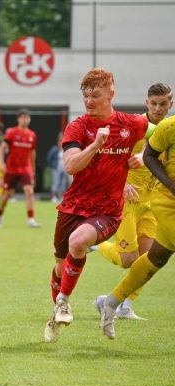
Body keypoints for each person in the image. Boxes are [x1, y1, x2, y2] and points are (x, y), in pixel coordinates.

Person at [43, 68, 153, 343]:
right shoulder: (78, 127)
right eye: (85, 95)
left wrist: (143, 154)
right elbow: (70, 165)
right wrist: (95, 145)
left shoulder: (132, 124)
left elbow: (162, 135)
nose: (89, 100)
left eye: (95, 94)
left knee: (79, 242)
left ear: (111, 92)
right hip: (72, 207)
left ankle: (64, 302)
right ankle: (57, 309)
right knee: (60, 267)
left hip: (108, 210)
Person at [94, 83, 173, 319]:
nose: (158, 108)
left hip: (153, 202)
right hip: (127, 200)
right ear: (146, 103)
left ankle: (124, 304)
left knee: (149, 260)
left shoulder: (170, 129)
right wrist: (123, 183)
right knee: (128, 260)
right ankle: (98, 245)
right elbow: (107, 159)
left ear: (171, 104)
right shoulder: (133, 127)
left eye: (163, 103)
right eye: (154, 103)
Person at [0, 109, 41, 228]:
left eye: (27, 117)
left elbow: (32, 154)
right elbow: (2, 148)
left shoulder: (32, 135)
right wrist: (1, 163)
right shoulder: (12, 132)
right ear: (18, 119)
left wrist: (33, 170)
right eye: (23, 117)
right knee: (7, 195)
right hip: (11, 169)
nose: (25, 120)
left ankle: (31, 219)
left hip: (25, 168)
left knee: (29, 192)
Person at [46, 133, 69, 203]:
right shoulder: (54, 149)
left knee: (63, 183)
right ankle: (53, 197)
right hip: (56, 169)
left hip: (64, 169)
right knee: (56, 182)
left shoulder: (66, 149)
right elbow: (48, 159)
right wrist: (53, 166)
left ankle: (62, 197)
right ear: (58, 142)